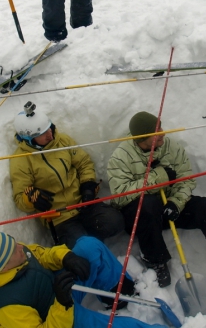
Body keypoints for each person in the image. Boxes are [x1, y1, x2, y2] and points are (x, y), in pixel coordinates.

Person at [107, 111, 206, 290]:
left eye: (160, 128)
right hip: (140, 217)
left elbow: (186, 178)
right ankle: (156, 262)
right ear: (141, 140)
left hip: (167, 207)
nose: (162, 134)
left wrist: (176, 202)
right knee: (149, 203)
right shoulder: (121, 157)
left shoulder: (170, 147)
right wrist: (157, 178)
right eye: (156, 133)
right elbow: (119, 196)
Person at [0, 231, 170, 328]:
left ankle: (117, 294)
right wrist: (62, 304)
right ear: (3, 267)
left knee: (89, 247)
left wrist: (66, 257)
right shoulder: (5, 308)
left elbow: (42, 255)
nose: (21, 247)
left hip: (60, 289)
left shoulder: (14, 254)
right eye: (14, 251)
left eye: (14, 242)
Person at [9, 101, 123, 249]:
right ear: (29, 139)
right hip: (60, 217)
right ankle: (82, 241)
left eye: (49, 128)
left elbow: (84, 162)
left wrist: (87, 185)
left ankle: (87, 237)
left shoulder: (62, 141)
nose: (49, 134)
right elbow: (20, 198)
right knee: (85, 249)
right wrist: (31, 199)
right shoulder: (21, 159)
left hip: (82, 203)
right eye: (42, 134)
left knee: (115, 222)